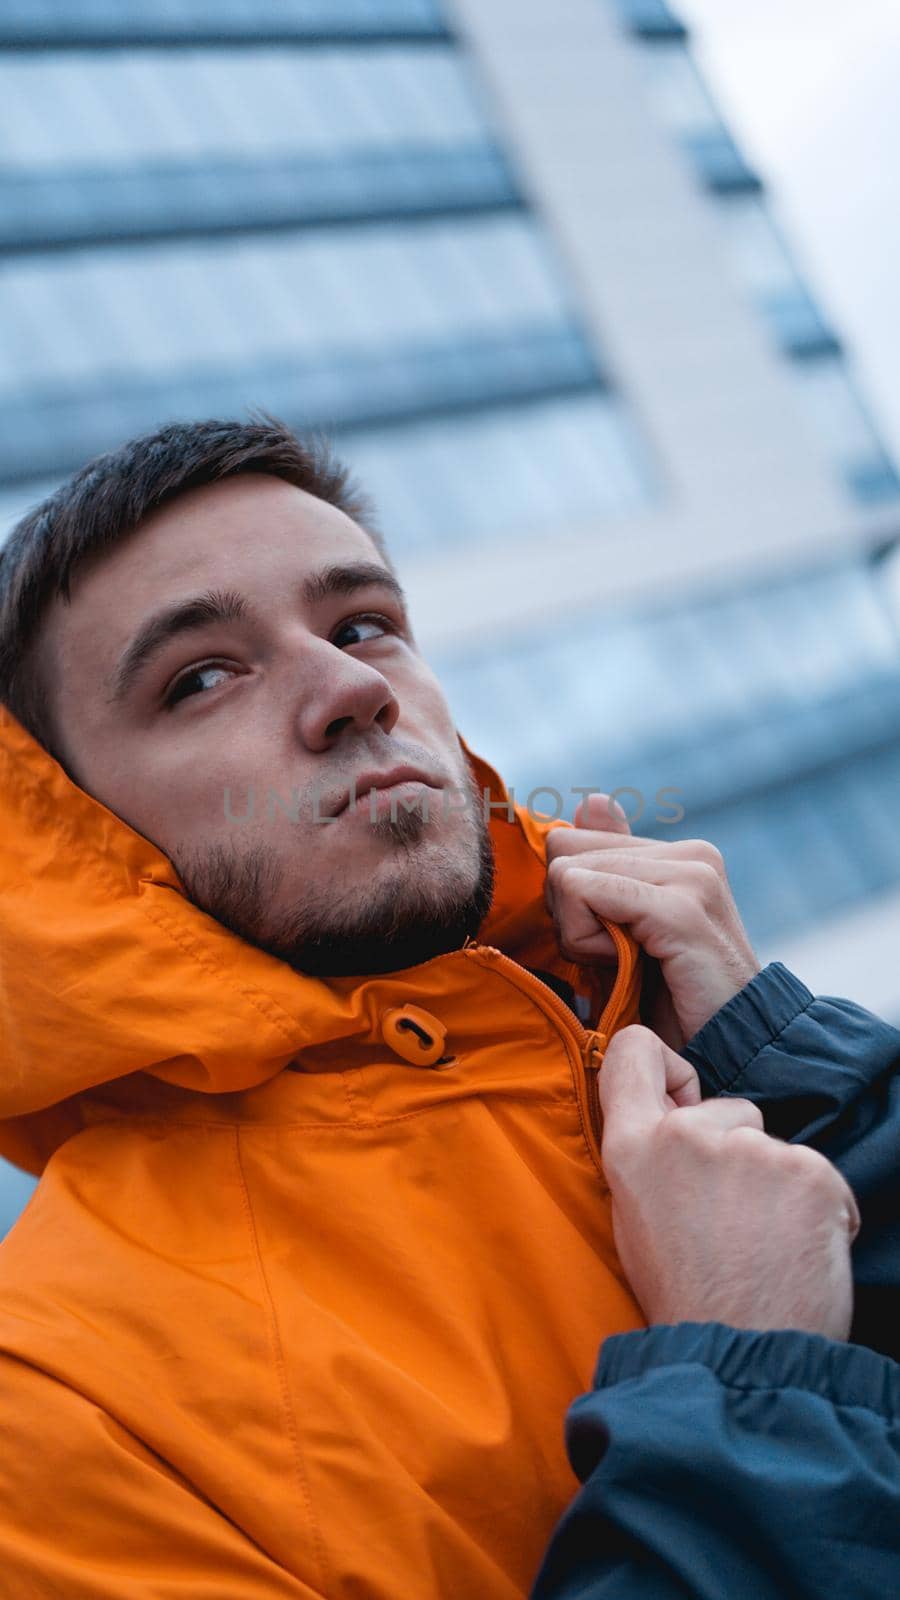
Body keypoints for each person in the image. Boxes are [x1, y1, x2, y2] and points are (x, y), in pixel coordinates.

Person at [0, 416, 895, 1598]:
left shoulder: (676, 1051)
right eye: (201, 676)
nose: (353, 690)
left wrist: (816, 1088)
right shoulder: (62, 1399)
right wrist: (747, 1378)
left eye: (363, 624)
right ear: (73, 839)